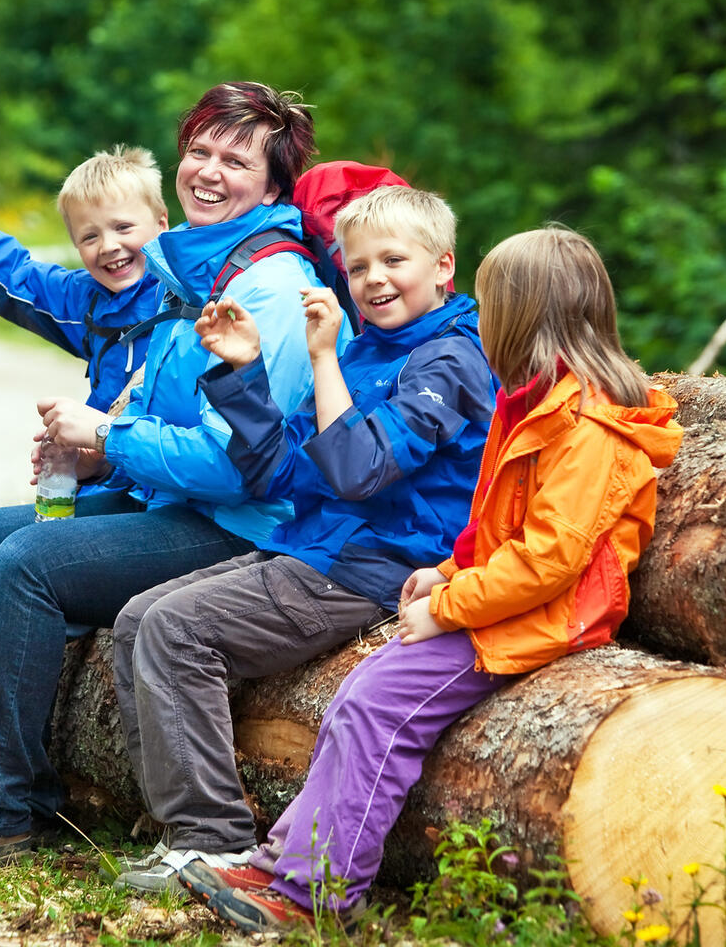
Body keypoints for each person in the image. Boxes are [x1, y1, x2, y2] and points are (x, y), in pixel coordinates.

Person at [0, 82, 353, 877]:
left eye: (235, 160)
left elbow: (237, 464)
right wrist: (109, 450)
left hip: (244, 526)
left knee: (29, 565)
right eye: (199, 150)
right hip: (176, 500)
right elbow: (65, 314)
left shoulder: (265, 287)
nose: (207, 170)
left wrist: (108, 435)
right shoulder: (196, 264)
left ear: (272, 187)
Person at [193, 225, 684, 931]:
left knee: (378, 708)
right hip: (503, 596)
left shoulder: (591, 427)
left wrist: (450, 606)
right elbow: (499, 526)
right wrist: (446, 569)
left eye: (492, 306)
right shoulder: (542, 403)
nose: (483, 322)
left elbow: (549, 562)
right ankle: (284, 861)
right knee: (359, 694)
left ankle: (313, 897)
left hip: (549, 614)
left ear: (522, 315)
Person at [106, 185, 496, 894]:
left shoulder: (449, 361)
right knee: (136, 619)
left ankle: (214, 845)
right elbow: (278, 470)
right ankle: (181, 828)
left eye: (393, 261)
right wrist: (244, 373)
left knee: (174, 629)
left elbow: (358, 470)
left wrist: (321, 357)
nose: (374, 279)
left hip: (377, 565)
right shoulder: (370, 351)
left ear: (443, 266)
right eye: (358, 267)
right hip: (316, 544)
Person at [0, 133, 166, 413]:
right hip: (106, 453)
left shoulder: (186, 294)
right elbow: (15, 275)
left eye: (123, 228)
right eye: (90, 237)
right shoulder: (85, 299)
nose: (108, 246)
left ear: (161, 224)